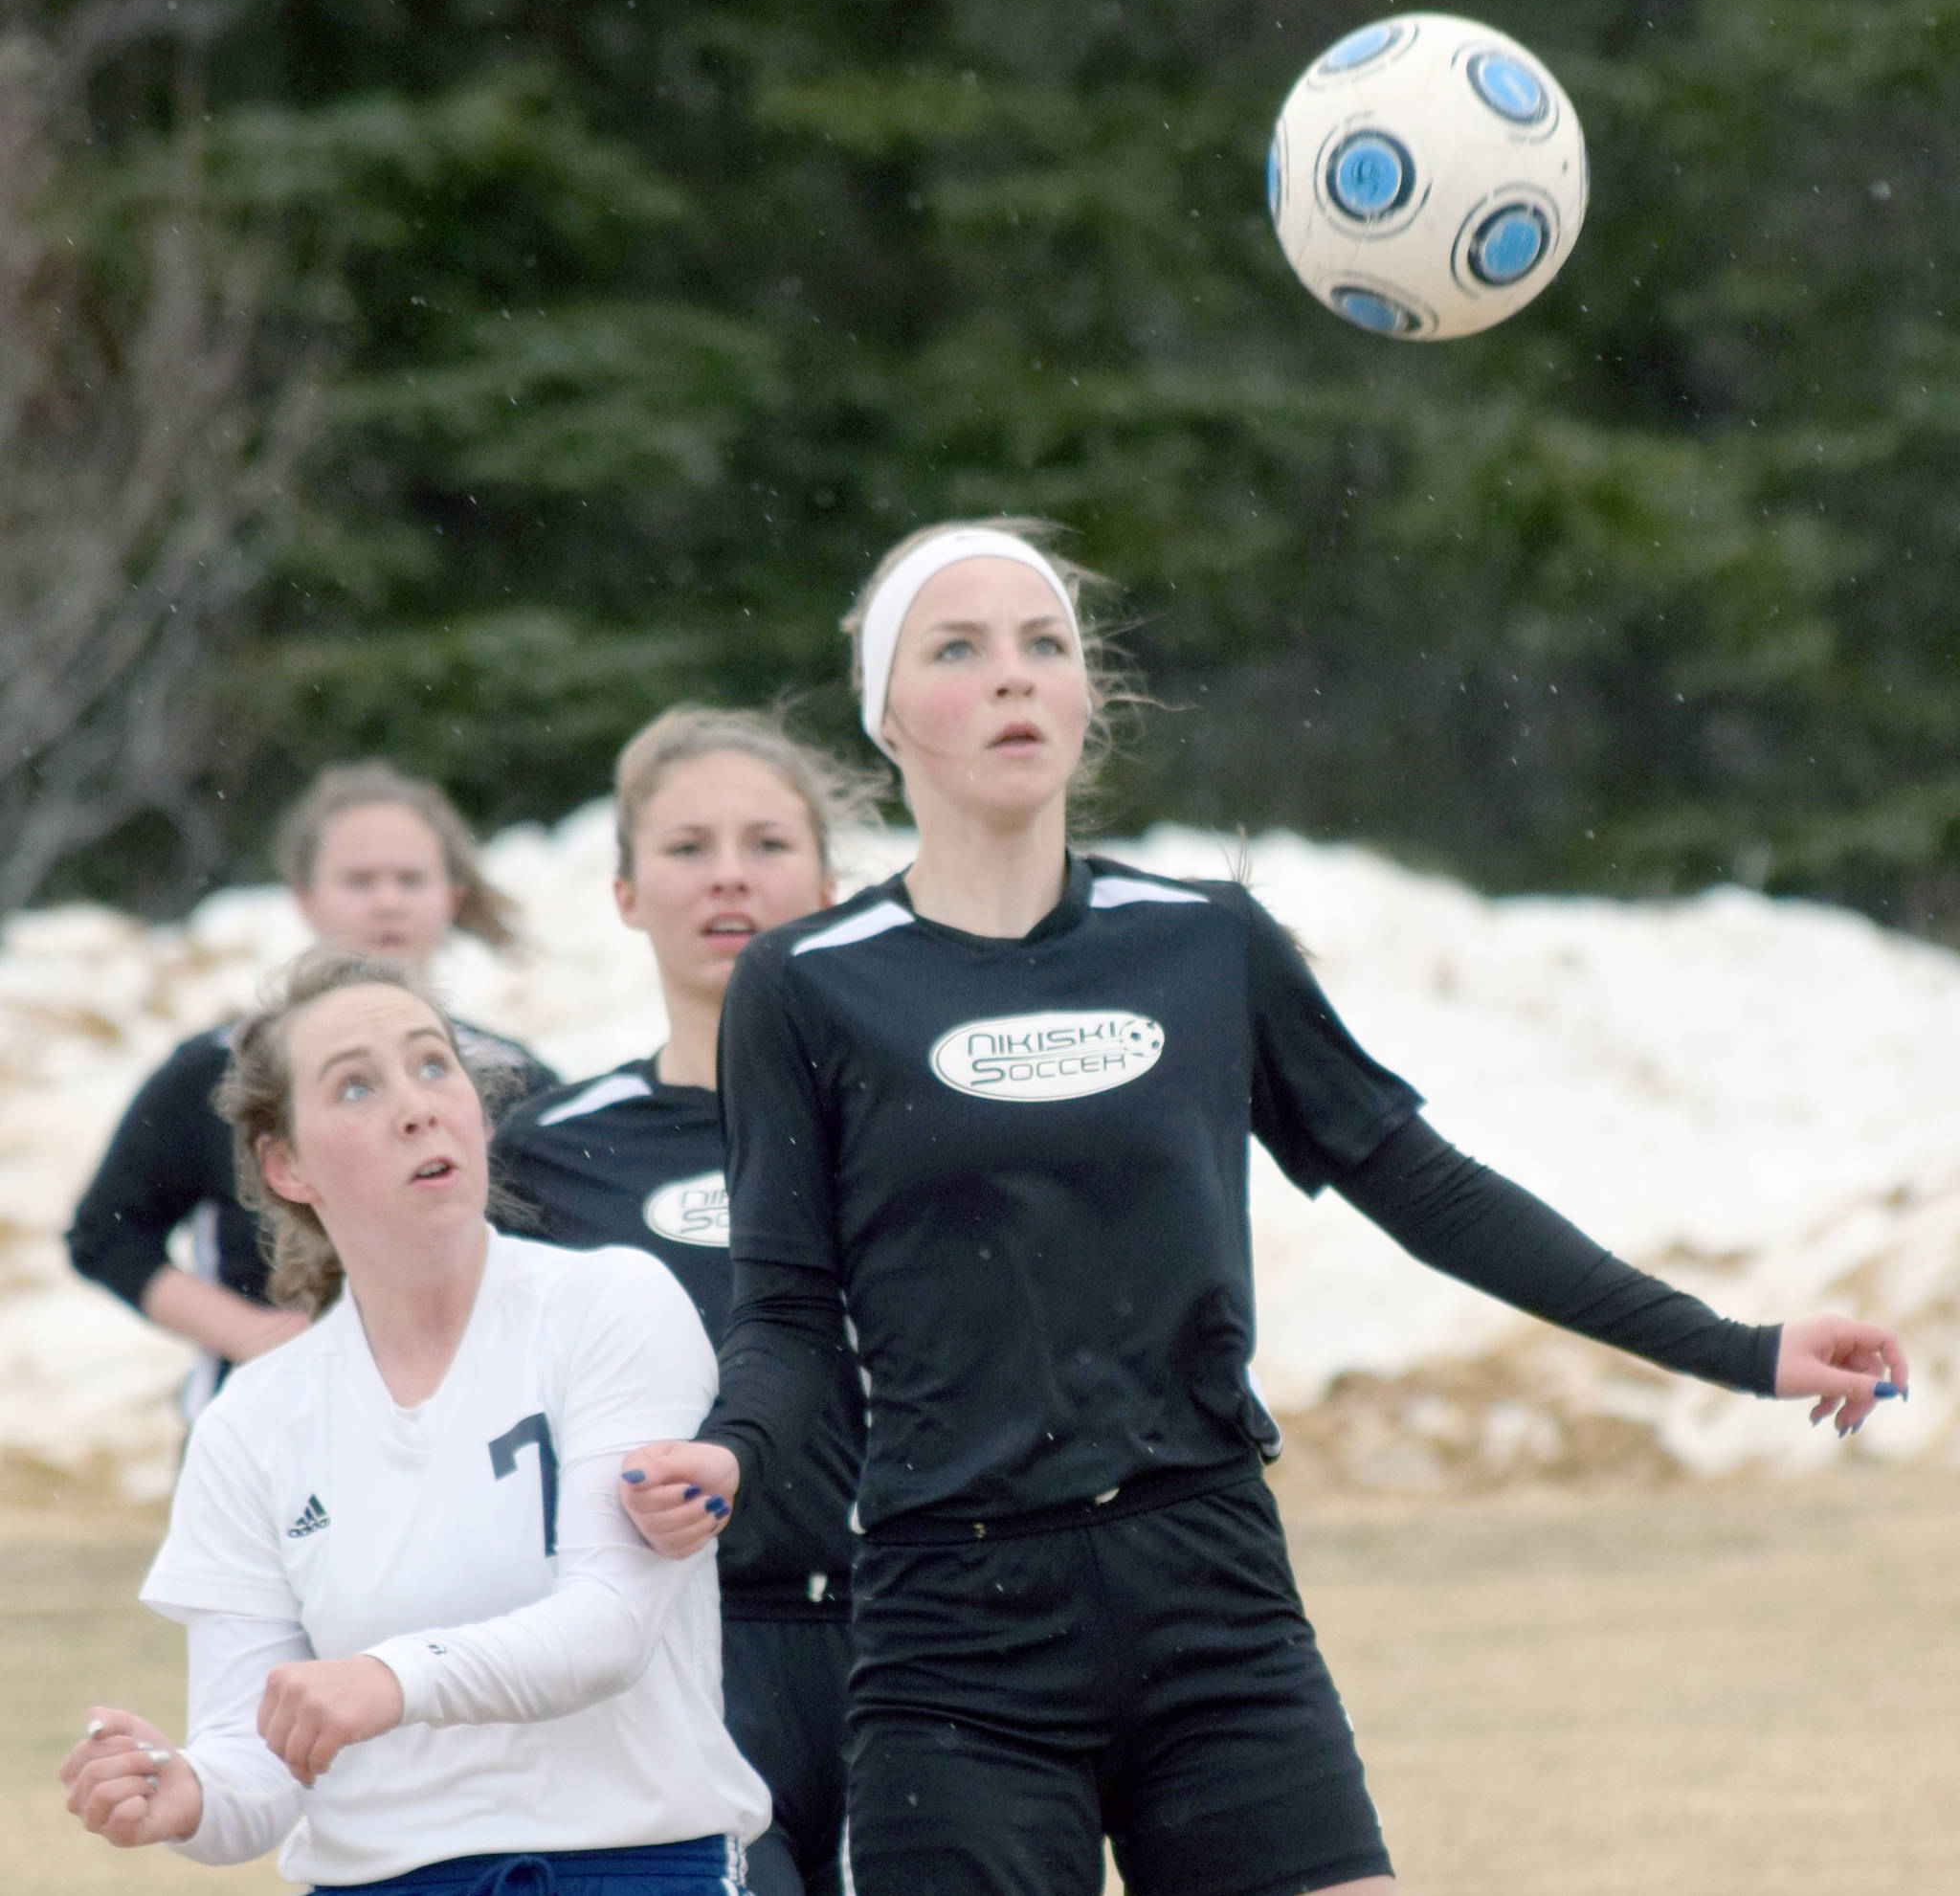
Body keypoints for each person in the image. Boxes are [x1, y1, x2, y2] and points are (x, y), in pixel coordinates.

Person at [620, 519, 1911, 1896]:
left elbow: (1428, 1190)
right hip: (955, 1633)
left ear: (1083, 696)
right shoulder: (808, 986)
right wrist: (740, 1450)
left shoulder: (1203, 942)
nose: (1012, 678)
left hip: (1210, 1591)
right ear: (888, 715)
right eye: (958, 649)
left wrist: (1739, 1346)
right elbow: (788, 1317)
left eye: (1043, 646)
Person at [57, 948, 770, 1894]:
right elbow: (257, 1759)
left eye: (433, 1064)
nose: (415, 1104)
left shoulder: (612, 1305)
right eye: (355, 1087)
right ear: (286, 1165)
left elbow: (607, 1630)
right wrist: (182, 1790)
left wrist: (389, 1680)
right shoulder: (254, 1420)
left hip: (636, 1864)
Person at [494, 706, 877, 1896]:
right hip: (678, 1660)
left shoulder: (918, 1122)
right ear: (622, 893)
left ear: (829, 882)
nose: (727, 876)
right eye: (685, 847)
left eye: (766, 843)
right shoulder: (547, 1156)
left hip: (930, 1645)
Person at [68, 760, 557, 1416]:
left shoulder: (517, 1079)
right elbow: (107, 1236)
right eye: (359, 880)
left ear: (452, 897)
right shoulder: (216, 1072)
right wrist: (256, 1337)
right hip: (267, 1426)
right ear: (303, 897)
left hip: (469, 1424)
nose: (387, 900)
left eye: (410, 879)